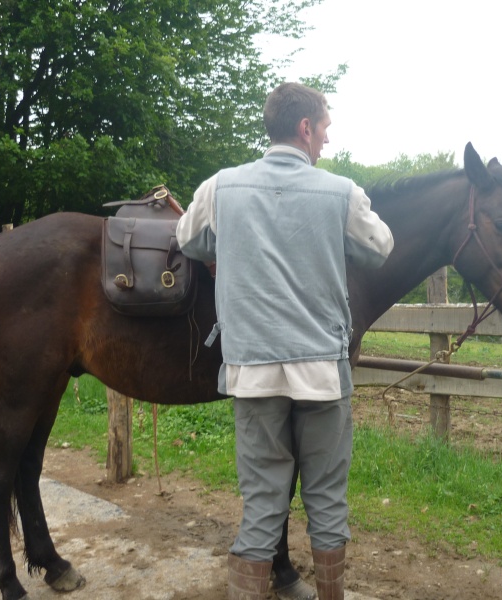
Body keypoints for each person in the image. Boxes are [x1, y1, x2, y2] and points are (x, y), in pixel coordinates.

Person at [176, 82, 393, 600]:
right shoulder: (341, 192)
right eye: (324, 129)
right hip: (322, 374)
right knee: (327, 503)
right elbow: (380, 247)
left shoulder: (220, 187)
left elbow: (187, 238)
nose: (325, 141)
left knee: (261, 508)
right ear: (304, 128)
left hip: (252, 373)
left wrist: (229, 243)